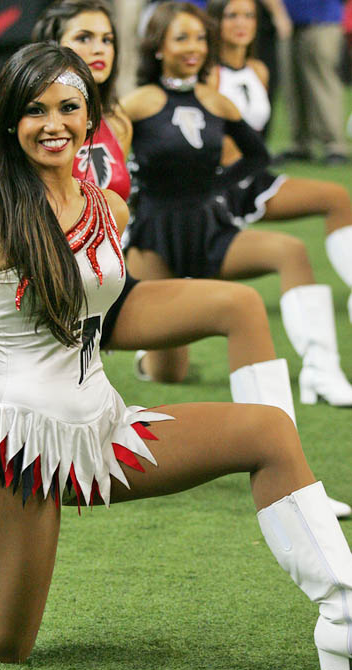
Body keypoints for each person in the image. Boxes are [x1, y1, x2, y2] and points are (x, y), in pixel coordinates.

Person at [0, 41, 352, 670]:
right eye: (34, 110)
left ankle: (344, 617)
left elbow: (104, 308)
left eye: (68, 107)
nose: (52, 124)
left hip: (106, 428)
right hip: (17, 448)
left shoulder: (109, 206)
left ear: (91, 118)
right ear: (10, 120)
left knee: (268, 431)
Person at [31, 0, 350, 517]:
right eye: (84, 37)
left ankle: (294, 474)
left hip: (115, 285)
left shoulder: (114, 117)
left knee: (241, 306)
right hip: (51, 305)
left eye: (107, 39)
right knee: (163, 375)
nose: (98, 49)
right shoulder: (39, 116)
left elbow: (128, 194)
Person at [121, 1, 352, 409]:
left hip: (210, 229)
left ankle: (323, 372)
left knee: (291, 250)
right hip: (155, 239)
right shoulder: (137, 103)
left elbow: (257, 156)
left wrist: (217, 185)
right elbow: (107, 166)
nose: (193, 47)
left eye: (199, 38)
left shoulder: (216, 102)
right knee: (169, 371)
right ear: (157, 47)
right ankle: (149, 357)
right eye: (181, 38)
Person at [206, 0, 352, 329]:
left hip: (253, 180)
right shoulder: (207, 74)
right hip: (216, 189)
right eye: (232, 16)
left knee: (337, 197)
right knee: (199, 285)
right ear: (215, 23)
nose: (241, 23)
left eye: (248, 16)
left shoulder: (259, 70)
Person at [276, 0, 349, 165]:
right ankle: (301, 144)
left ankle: (334, 145)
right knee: (292, 87)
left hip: (322, 21)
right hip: (289, 20)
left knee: (322, 85)